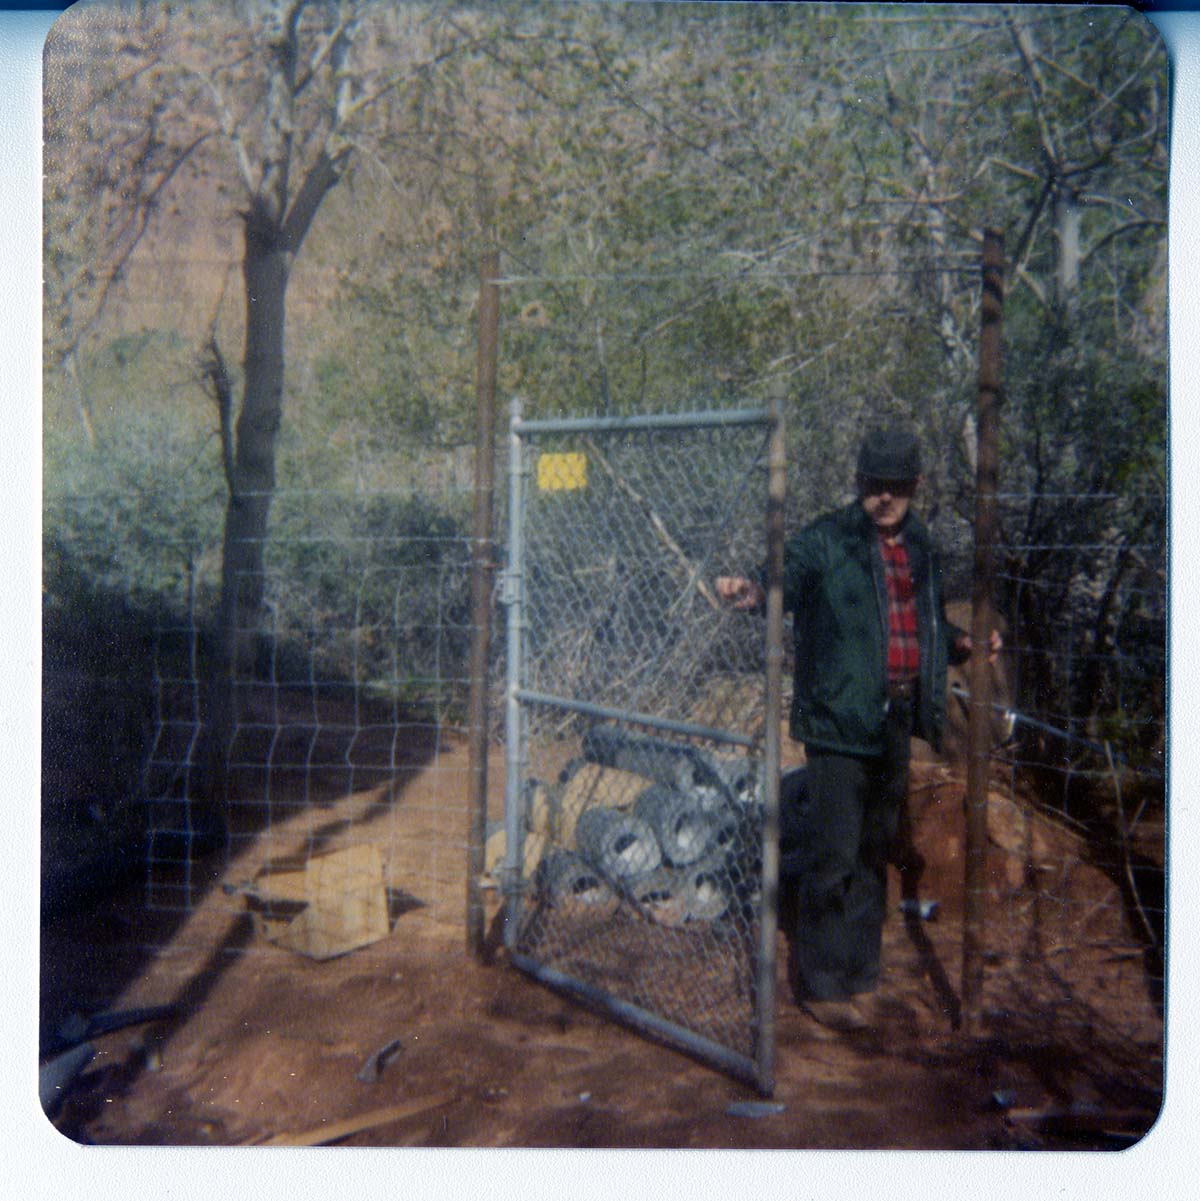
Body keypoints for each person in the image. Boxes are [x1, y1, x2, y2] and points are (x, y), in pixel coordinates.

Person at [716, 426, 1000, 1033]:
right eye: (874, 486)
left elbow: (919, 625)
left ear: (915, 487)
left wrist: (961, 644)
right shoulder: (828, 540)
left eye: (896, 487)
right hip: (839, 725)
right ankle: (821, 986)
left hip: (895, 721)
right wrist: (750, 588)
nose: (884, 498)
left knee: (874, 857)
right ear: (859, 483)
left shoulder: (921, 545)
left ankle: (859, 978)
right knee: (834, 857)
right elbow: (783, 578)